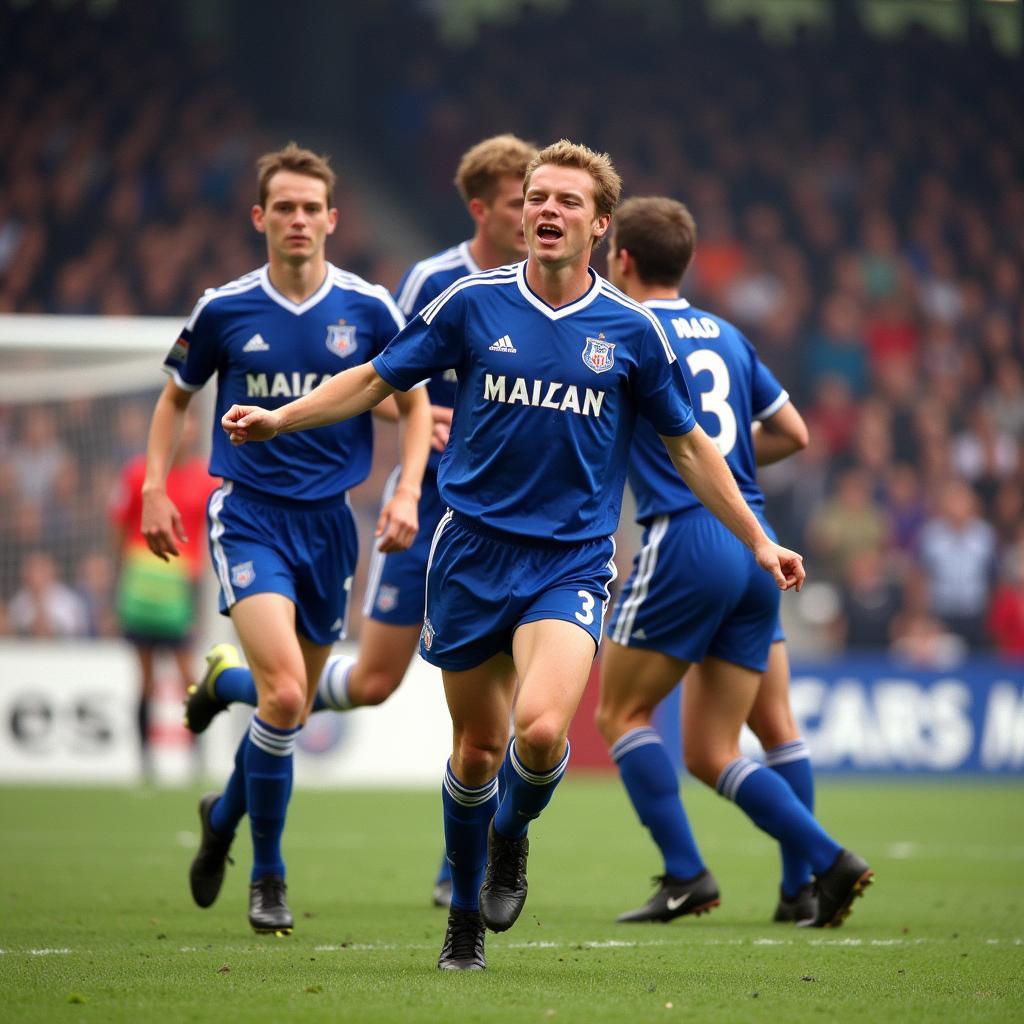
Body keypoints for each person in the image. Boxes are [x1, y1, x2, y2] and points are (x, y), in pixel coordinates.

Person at [219, 140, 805, 971]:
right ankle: (463, 915)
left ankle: (510, 838)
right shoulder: (471, 304)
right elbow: (375, 380)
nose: (547, 211)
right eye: (537, 197)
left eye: (568, 201)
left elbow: (693, 449)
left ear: (601, 227)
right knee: (476, 752)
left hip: (570, 562)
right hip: (469, 556)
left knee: (538, 734)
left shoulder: (630, 330)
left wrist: (758, 537)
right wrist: (282, 418)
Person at [182, 133, 538, 907]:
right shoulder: (430, 281)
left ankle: (459, 868)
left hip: (506, 528)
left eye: (542, 201)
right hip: (419, 512)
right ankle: (240, 715)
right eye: (520, 201)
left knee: (481, 700)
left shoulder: (551, 293)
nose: (532, 214)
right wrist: (416, 460)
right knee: (370, 682)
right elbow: (380, 384)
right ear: (483, 207)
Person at [141, 142, 432, 936]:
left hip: (331, 525)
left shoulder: (370, 308)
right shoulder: (224, 308)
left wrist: (406, 488)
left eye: (313, 208)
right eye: (285, 207)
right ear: (260, 217)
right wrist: (156, 488)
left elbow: (408, 402)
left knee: (284, 711)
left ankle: (221, 795)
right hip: (250, 514)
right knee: (289, 698)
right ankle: (267, 876)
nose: (299, 219)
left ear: (333, 219)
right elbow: (175, 399)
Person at [594, 196, 872, 930]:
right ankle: (802, 887)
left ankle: (692, 874)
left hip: (686, 536)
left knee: (619, 712)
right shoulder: (725, 332)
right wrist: (730, 460)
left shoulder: (623, 328)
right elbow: (794, 432)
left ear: (621, 257)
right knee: (745, 736)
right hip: (756, 541)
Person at [110, 412, 216, 781]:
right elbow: (120, 525)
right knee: (146, 680)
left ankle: (196, 756)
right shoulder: (139, 475)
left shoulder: (205, 478)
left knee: (189, 676)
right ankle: (144, 762)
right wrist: (118, 582)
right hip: (142, 585)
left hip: (181, 588)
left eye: (189, 427)